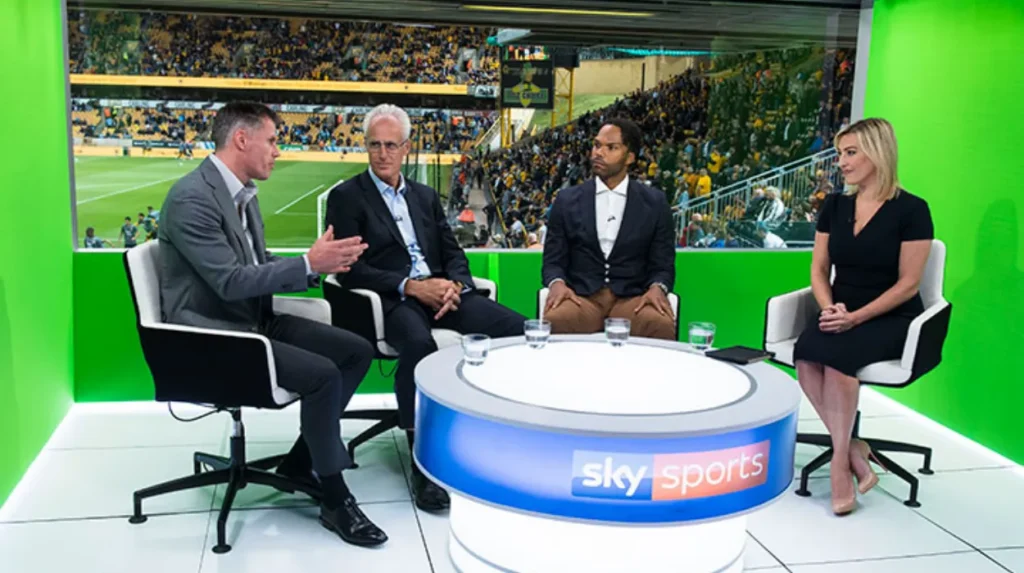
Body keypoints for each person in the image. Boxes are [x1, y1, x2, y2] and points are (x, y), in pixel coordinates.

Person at [157, 102, 388, 547]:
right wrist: (307, 262)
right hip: (215, 336)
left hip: (253, 320)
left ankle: (301, 461)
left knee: (356, 350)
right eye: (273, 140)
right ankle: (335, 498)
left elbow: (257, 263)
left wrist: (317, 266)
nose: (278, 151)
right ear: (242, 140)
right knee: (322, 376)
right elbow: (229, 281)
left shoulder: (242, 193)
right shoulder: (191, 199)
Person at [324, 103, 527, 513]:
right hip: (393, 299)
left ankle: (505, 434)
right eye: (375, 145)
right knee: (419, 346)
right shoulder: (346, 198)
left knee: (520, 330)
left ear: (406, 148)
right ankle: (423, 462)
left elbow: (452, 252)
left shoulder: (425, 196)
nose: (382, 153)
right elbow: (350, 269)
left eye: (391, 145)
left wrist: (456, 286)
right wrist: (410, 286)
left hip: (443, 293)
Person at [793, 118, 933, 516]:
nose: (842, 162)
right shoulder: (835, 206)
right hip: (840, 310)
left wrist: (855, 318)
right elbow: (819, 270)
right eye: (841, 153)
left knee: (839, 360)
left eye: (851, 153)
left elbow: (909, 284)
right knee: (806, 354)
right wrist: (829, 307)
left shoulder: (912, 210)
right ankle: (853, 447)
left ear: (878, 153)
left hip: (891, 315)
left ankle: (840, 465)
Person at [541, 118, 676, 340]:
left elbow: (663, 263)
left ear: (629, 157)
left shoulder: (655, 202)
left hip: (632, 298)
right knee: (558, 319)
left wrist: (657, 287)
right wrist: (557, 283)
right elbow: (552, 260)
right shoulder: (566, 200)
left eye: (611, 147)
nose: (599, 153)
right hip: (581, 297)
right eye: (596, 145)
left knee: (658, 323)